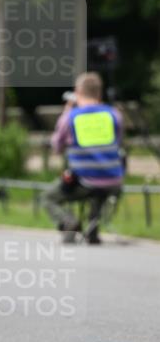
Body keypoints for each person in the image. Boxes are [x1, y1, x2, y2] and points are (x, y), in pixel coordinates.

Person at [44, 72, 124, 244]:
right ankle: (93, 230)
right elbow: (118, 142)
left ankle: (69, 221)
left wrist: (67, 111)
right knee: (99, 188)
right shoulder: (114, 115)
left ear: (78, 91)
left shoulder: (71, 117)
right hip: (114, 182)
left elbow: (56, 146)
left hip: (84, 181)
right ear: (99, 93)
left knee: (48, 197)